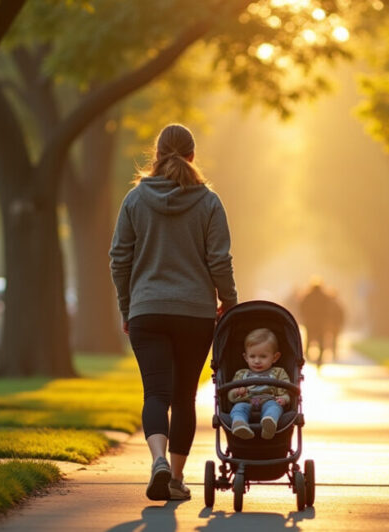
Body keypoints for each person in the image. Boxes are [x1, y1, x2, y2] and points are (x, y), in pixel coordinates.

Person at [110, 123, 237, 501]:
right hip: (195, 313)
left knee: (155, 394)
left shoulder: (135, 200)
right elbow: (220, 260)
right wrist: (228, 302)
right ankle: (177, 479)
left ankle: (158, 462)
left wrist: (128, 307)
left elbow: (119, 259)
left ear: (157, 154)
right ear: (192, 156)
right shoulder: (209, 202)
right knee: (183, 397)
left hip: (147, 310)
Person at [228, 328, 291, 440]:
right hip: (246, 401)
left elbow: (287, 390)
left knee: (274, 407)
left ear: (275, 357)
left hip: (269, 400)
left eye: (263, 356)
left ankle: (269, 422)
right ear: (246, 357)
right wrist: (237, 392)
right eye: (252, 356)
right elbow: (230, 396)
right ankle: (239, 424)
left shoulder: (278, 373)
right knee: (238, 408)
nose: (257, 361)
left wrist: (284, 399)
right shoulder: (241, 374)